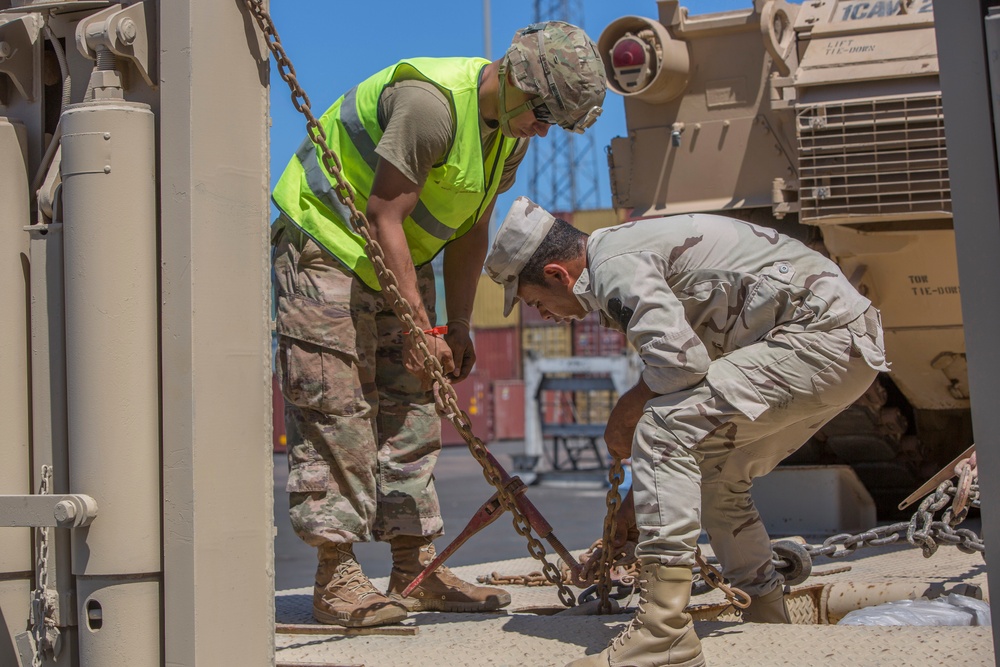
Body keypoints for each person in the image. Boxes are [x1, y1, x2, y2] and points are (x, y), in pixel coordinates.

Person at [270, 23, 607, 628]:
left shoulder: (509, 134)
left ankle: (414, 570)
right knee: (336, 410)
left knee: (417, 404)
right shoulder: (431, 107)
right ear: (517, 82)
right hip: (328, 245)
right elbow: (382, 215)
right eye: (543, 113)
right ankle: (337, 577)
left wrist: (455, 326)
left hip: (402, 258)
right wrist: (420, 330)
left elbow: (470, 228)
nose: (543, 128)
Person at [485, 197, 890, 666]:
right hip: (846, 347)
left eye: (537, 302)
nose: (545, 315)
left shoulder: (614, 263)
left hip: (821, 339)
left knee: (663, 427)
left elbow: (681, 366)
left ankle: (662, 632)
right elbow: (701, 371)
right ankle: (764, 609)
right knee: (717, 474)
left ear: (557, 274)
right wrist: (636, 504)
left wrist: (627, 410)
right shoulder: (624, 254)